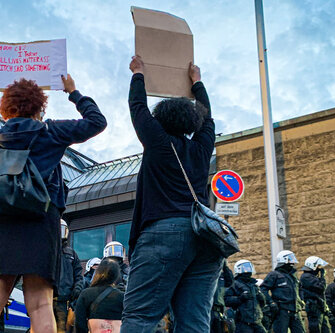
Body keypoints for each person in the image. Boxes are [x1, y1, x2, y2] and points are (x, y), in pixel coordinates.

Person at [0, 75, 107, 333]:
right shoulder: (50, 132)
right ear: (38, 107)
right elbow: (97, 122)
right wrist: (73, 92)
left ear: (5, 108)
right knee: (39, 304)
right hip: (40, 225)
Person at [121, 55, 224, 332]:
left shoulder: (158, 142)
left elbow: (138, 107)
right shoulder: (202, 149)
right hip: (207, 238)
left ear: (161, 121)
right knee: (194, 322)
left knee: (140, 317)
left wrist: (138, 73)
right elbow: (208, 117)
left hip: (164, 232)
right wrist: (197, 82)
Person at [260, 250, 306, 333]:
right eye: (290, 259)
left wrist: (301, 300)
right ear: (283, 260)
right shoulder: (274, 275)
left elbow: (300, 288)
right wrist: (271, 302)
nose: (292, 262)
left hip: (295, 311)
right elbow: (263, 289)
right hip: (282, 311)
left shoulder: (293, 275)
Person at [75, 258, 124, 333]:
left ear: (98, 273)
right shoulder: (122, 296)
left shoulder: (86, 294)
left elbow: (79, 322)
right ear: (116, 275)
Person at [55, 220, 84, 333]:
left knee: (62, 329)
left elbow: (78, 274)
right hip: (46, 297)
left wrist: (77, 289)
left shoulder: (71, 253)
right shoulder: (47, 250)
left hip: (64, 299)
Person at [225, 260, 267, 333]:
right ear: (238, 270)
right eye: (245, 268)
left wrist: (261, 297)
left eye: (249, 267)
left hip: (257, 321)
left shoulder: (254, 285)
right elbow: (227, 300)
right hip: (243, 323)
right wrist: (240, 298)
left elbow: (262, 304)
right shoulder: (234, 284)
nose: (247, 270)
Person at [300, 256, 332, 333]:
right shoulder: (306, 277)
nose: (320, 268)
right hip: (313, 307)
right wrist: (322, 277)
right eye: (318, 266)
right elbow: (321, 288)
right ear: (313, 266)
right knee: (316, 329)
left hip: (320, 307)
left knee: (326, 329)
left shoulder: (313, 277)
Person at [211, 260, 234, 332]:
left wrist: (225, 267)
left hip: (218, 311)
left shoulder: (221, 276)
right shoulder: (204, 275)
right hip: (208, 310)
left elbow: (230, 281)